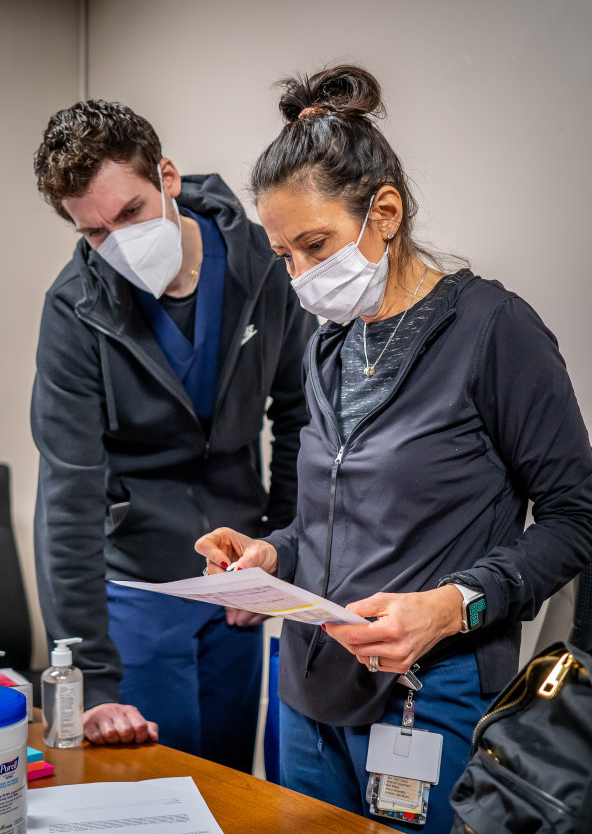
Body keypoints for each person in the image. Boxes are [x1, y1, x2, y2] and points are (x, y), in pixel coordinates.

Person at [195, 65, 592, 829]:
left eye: (314, 244)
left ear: (384, 211)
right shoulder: (329, 346)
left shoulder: (491, 331)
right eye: (284, 255)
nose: (302, 275)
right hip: (307, 692)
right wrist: (272, 555)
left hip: (430, 695)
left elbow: (578, 516)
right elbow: (329, 513)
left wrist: (451, 605)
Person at [31, 99, 316, 771]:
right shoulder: (75, 309)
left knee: (229, 782)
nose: (119, 241)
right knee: (150, 781)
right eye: (95, 232)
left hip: (233, 577)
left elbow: (301, 415)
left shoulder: (262, 262)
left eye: (129, 213)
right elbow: (68, 493)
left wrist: (275, 550)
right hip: (135, 588)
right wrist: (93, 682)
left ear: (167, 175)